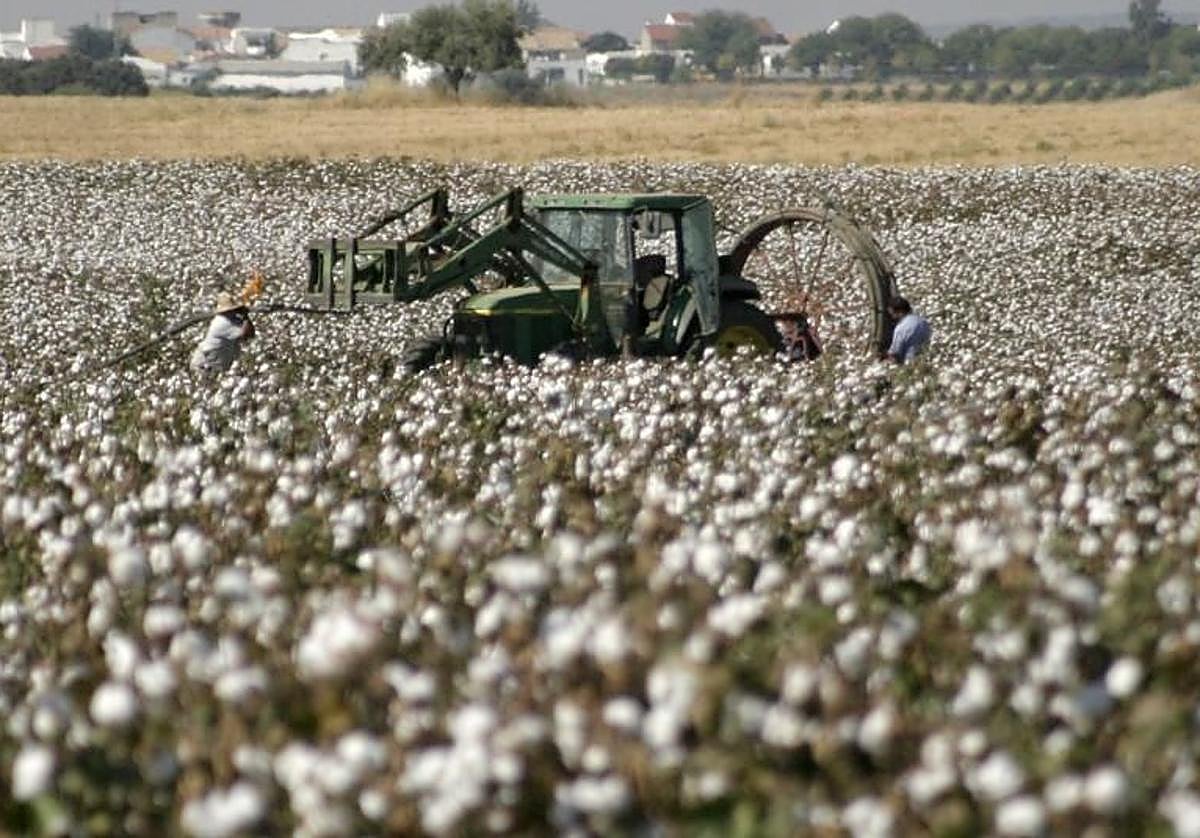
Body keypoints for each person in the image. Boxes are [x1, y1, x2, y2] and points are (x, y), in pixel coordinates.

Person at [190, 292, 256, 374]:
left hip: (213, 359)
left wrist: (245, 316)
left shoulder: (231, 318)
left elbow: (250, 333)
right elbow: (246, 334)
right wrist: (245, 316)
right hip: (206, 362)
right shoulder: (223, 322)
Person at [884, 296, 930, 363]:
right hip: (926, 360)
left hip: (909, 362)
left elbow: (895, 353)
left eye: (892, 314)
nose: (892, 317)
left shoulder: (900, 328)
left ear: (899, 312)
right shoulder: (923, 322)